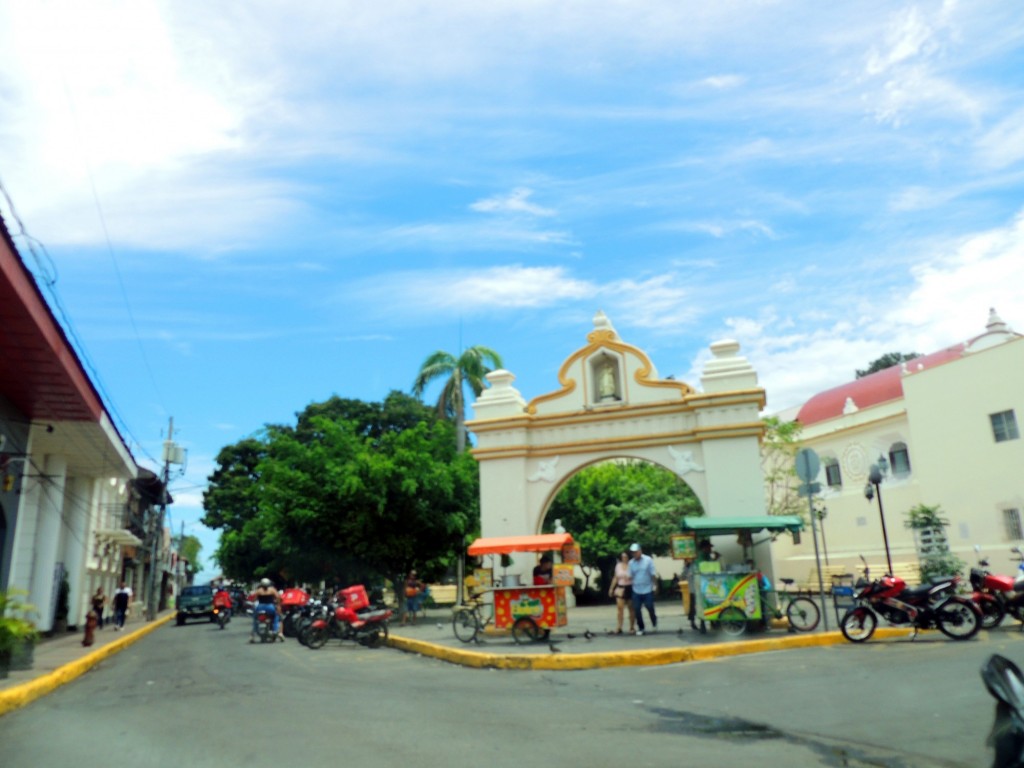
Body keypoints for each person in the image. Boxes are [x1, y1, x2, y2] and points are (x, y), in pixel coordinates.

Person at [687, 539, 719, 629]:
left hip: (702, 582)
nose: (710, 549)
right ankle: (696, 622)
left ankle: (709, 621)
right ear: (704, 547)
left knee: (703, 601)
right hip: (696, 582)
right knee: (697, 602)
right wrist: (715, 559)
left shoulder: (706, 555)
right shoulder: (700, 556)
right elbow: (705, 567)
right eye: (709, 547)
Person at [627, 543, 658, 635]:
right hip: (636, 589)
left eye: (635, 552)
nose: (634, 554)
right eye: (632, 553)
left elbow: (653, 574)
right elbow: (630, 575)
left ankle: (654, 622)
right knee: (636, 609)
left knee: (649, 607)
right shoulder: (631, 563)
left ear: (640, 551)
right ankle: (641, 627)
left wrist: (656, 586)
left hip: (647, 589)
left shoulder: (648, 560)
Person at [608, 550, 635, 635]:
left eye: (626, 557)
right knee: (620, 608)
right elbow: (616, 577)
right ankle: (619, 626)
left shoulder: (632, 565)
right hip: (621, 587)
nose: (624, 558)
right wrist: (611, 588)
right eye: (623, 557)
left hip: (630, 587)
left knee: (631, 608)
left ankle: (632, 627)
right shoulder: (618, 565)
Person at [251, 577, 283, 642]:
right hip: (270, 607)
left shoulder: (258, 590)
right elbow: (278, 598)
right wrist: (278, 605)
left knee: (255, 619)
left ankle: (253, 634)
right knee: (276, 617)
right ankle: (275, 630)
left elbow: (254, 599)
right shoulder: (272, 590)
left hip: (260, 607)